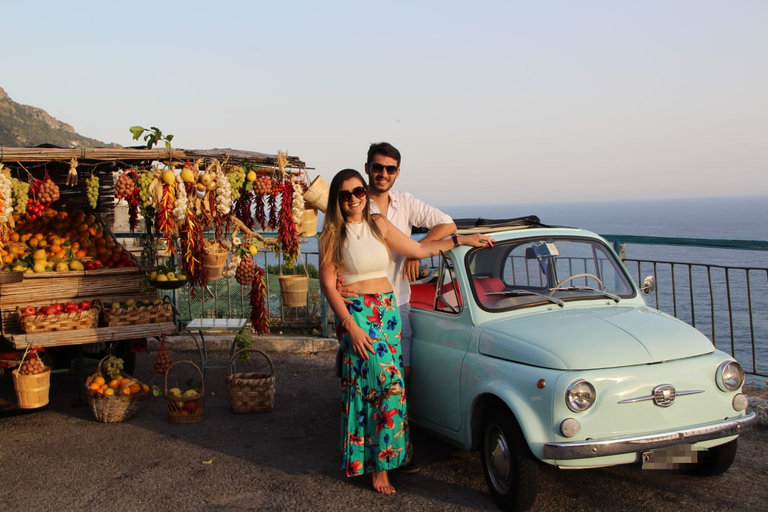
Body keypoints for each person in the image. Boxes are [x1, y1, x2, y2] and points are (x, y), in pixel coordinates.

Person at [319, 169, 493, 495]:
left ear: (365, 193)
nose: (354, 199)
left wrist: (461, 240)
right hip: (360, 317)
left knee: (393, 388)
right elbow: (328, 285)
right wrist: (350, 327)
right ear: (337, 201)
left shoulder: (379, 225)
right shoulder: (331, 236)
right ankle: (378, 469)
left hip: (386, 312)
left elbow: (417, 250)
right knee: (377, 385)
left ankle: (386, 457)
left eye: (358, 192)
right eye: (345, 195)